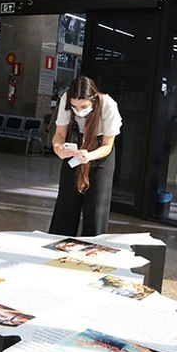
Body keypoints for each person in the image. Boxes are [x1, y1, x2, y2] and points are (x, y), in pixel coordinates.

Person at [49, 76, 122, 236]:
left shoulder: (108, 105)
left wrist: (89, 156)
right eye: (74, 107)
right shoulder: (66, 99)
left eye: (83, 106)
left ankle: (93, 247)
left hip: (99, 151)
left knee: (96, 209)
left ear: (93, 98)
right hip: (75, 147)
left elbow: (107, 145)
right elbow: (60, 134)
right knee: (66, 204)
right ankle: (58, 244)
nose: (79, 111)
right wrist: (58, 147)